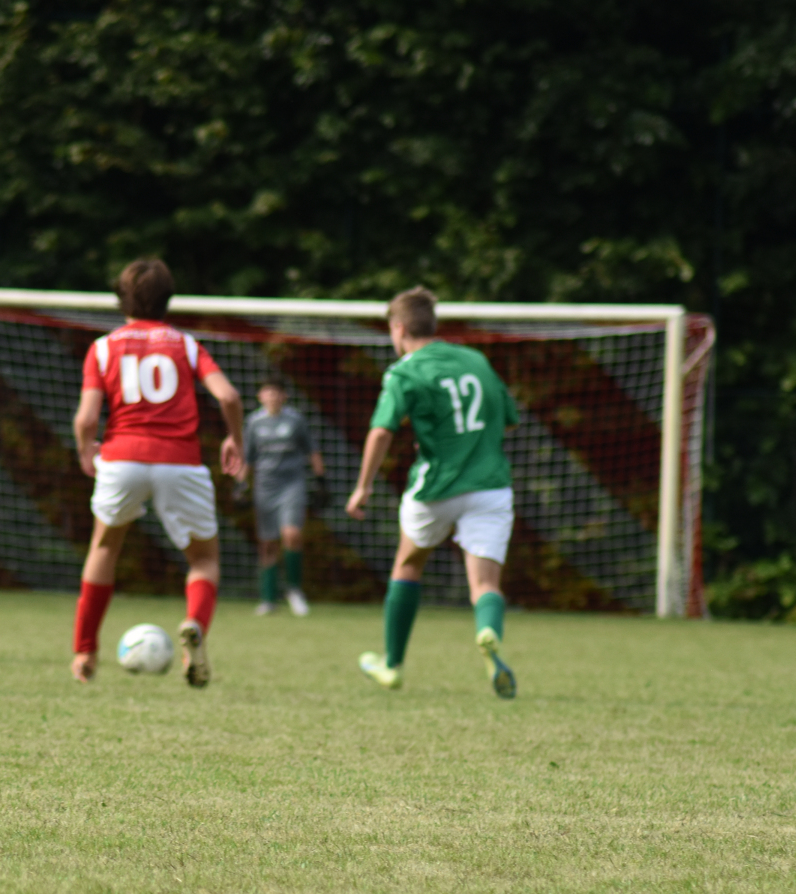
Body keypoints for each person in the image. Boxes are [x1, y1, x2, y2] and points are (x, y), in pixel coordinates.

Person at [70, 258, 247, 687]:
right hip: (179, 462)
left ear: (121, 299)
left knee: (104, 548)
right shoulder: (186, 345)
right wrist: (235, 440)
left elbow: (87, 418)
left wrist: (85, 448)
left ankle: (85, 653)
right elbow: (228, 396)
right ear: (169, 299)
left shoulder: (103, 347)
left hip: (122, 458)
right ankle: (195, 624)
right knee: (203, 559)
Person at [345, 286, 518, 699]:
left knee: (408, 564)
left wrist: (363, 485)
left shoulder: (404, 372)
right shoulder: (475, 360)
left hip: (437, 486)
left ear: (399, 328)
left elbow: (382, 431)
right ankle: (488, 631)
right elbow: (508, 419)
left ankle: (392, 665)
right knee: (485, 584)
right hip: (491, 485)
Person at [243, 378, 325, 616]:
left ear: (284, 396)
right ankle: (268, 598)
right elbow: (248, 457)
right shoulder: (254, 422)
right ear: (260, 397)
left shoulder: (295, 420)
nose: (272, 398)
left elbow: (312, 451)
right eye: (267, 393)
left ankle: (294, 590)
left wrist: (321, 480)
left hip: (292, 484)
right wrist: (240, 484)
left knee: (291, 534)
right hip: (265, 486)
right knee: (267, 542)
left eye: (276, 393)